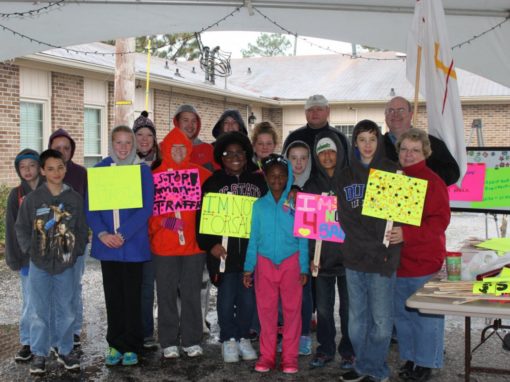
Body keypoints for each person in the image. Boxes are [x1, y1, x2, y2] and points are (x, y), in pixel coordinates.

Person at [337, 120, 401, 382]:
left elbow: (398, 219)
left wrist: (382, 249)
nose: (367, 145)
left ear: (379, 142)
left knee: (382, 322)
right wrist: (372, 245)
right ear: (355, 144)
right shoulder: (345, 176)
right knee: (356, 320)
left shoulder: (393, 173)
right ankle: (364, 366)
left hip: (384, 259)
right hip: (354, 258)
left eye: (372, 139)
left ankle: (374, 367)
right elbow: (346, 222)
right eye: (362, 139)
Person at [86, 125, 154, 367]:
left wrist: (123, 233)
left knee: (132, 298)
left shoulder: (141, 171)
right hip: (108, 246)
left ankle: (132, 345)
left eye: (128, 143)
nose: (123, 148)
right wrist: (103, 233)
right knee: (113, 297)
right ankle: (115, 343)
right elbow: (91, 207)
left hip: (132, 244)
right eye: (118, 142)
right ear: (111, 143)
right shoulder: (100, 170)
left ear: (134, 145)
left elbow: (146, 208)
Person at [15, 149, 88, 375]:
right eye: (50, 168)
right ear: (43, 171)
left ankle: (65, 349)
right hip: (40, 265)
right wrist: (32, 250)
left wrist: (74, 252)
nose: (56, 172)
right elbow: (22, 228)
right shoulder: (34, 199)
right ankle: (39, 352)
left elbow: (82, 229)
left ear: (65, 169)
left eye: (60, 167)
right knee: (38, 310)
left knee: (66, 308)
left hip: (66, 265)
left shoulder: (74, 198)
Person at [197, 131, 267, 363]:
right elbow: (202, 220)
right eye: (228, 153)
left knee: (248, 299)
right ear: (221, 157)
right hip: (224, 254)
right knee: (226, 299)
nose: (235, 157)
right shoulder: (213, 183)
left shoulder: (259, 182)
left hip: (250, 254)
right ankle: (228, 338)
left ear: (247, 156)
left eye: (240, 153)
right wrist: (211, 245)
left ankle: (243, 337)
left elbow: (269, 213)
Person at [387, 128, 451, 382]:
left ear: (425, 152)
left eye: (415, 150)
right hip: (397, 263)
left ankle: (426, 363)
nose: (409, 154)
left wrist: (407, 234)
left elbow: (439, 222)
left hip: (424, 262)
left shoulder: (433, 182)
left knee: (426, 317)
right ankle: (411, 358)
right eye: (404, 149)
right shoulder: (393, 180)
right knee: (403, 318)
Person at [243, 154, 309, 374]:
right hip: (264, 264)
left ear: (289, 176)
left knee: (292, 312)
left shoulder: (295, 203)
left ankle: (290, 358)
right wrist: (248, 267)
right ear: (266, 178)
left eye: (282, 175)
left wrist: (303, 267)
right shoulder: (258, 206)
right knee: (266, 312)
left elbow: (304, 237)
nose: (277, 179)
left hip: (291, 263)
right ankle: (267, 356)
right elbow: (253, 239)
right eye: (273, 176)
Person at [149, 127, 211, 359]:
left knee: (191, 293)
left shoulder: (200, 174)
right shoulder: (154, 177)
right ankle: (168, 340)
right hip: (164, 247)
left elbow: (217, 194)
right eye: (173, 147)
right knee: (165, 293)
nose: (177, 151)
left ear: (189, 149)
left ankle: (192, 338)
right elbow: (146, 209)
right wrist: (163, 223)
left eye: (182, 147)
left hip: (193, 247)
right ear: (165, 149)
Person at [304, 132, 354, 370]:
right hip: (321, 262)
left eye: (331, 151)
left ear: (340, 153)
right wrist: (309, 258)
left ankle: (349, 350)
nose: (327, 156)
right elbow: (306, 229)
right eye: (322, 152)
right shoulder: (311, 185)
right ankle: (325, 349)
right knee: (323, 311)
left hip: (348, 261)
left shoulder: (351, 181)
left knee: (348, 310)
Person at [172, 104, 216, 333]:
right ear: (176, 122)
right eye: (185, 120)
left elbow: (216, 183)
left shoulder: (207, 150)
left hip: (202, 222)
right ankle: (180, 320)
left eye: (193, 121)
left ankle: (199, 319)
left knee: (201, 278)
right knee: (178, 279)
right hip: (177, 224)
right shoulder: (168, 148)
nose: (189, 125)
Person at [49, 128, 87, 348]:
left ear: (72, 150)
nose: (62, 151)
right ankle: (55, 330)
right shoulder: (45, 172)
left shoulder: (81, 173)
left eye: (66, 148)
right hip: (49, 242)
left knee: (73, 287)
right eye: (57, 148)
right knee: (52, 288)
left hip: (75, 243)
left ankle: (73, 330)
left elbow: (89, 207)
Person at [5, 149, 44, 362]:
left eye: (31, 165)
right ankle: (27, 342)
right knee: (30, 302)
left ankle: (47, 341)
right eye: (23, 167)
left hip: (50, 259)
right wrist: (15, 257)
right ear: (18, 170)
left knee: (49, 301)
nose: (27, 170)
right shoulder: (16, 195)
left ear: (39, 167)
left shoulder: (49, 190)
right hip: (27, 259)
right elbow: (11, 228)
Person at [383, 96, 460, 186]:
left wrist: (420, 176)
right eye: (391, 110)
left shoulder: (431, 143)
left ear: (411, 114)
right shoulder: (375, 145)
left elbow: (453, 172)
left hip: (424, 197)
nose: (395, 114)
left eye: (401, 110)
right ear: (385, 116)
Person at [133, 111, 160, 350]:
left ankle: (147, 332)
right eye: (139, 134)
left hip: (158, 234)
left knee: (148, 286)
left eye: (148, 135)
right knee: (130, 285)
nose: (144, 139)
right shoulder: (123, 165)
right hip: (131, 234)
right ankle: (131, 331)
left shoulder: (161, 165)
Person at [283, 141, 313, 355]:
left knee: (304, 294)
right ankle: (287, 334)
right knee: (285, 295)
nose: (299, 162)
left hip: (306, 250)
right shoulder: (279, 183)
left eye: (303, 158)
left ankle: (303, 336)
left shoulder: (314, 184)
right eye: (293, 158)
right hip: (284, 249)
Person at [282, 94, 350, 172]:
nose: (314, 113)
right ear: (305, 113)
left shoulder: (340, 138)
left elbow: (349, 167)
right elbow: (283, 167)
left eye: (319, 109)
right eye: (310, 110)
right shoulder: (293, 138)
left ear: (328, 111)